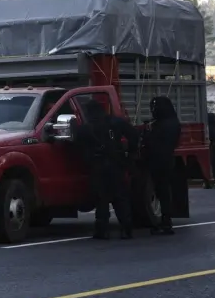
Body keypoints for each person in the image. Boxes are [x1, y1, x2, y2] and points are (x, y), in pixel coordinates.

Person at [75, 99, 139, 240]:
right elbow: (133, 135)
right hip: (116, 164)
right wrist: (130, 153)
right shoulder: (115, 122)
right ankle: (127, 228)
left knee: (101, 199)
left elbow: (78, 146)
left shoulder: (86, 128)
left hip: (98, 166)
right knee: (120, 198)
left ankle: (102, 230)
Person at [144, 96, 181, 235]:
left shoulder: (160, 125)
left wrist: (148, 133)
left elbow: (151, 143)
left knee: (162, 191)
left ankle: (165, 221)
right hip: (168, 159)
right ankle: (166, 219)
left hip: (157, 160)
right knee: (164, 190)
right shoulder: (174, 122)